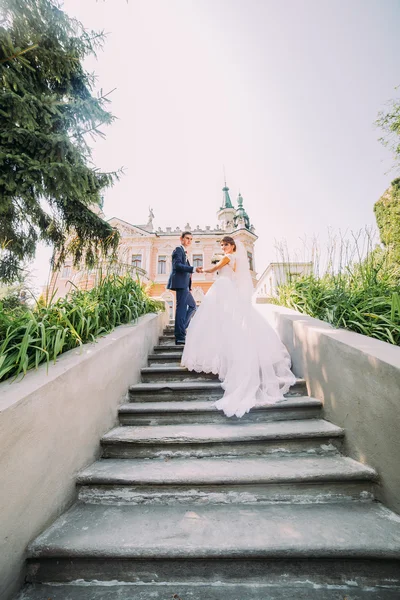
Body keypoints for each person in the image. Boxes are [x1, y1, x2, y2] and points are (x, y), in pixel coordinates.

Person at [181, 236, 296, 418]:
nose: (224, 247)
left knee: (214, 318)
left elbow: (215, 269)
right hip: (228, 287)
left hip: (223, 287)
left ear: (232, 246)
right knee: (223, 320)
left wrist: (201, 268)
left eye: (226, 244)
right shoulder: (235, 260)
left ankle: (215, 358)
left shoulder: (228, 257)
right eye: (222, 245)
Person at [167, 231, 203, 345]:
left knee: (193, 306)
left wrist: (189, 286)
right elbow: (177, 266)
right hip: (180, 284)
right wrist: (193, 268)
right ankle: (180, 336)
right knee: (181, 309)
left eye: (191, 239)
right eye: (187, 238)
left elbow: (187, 273)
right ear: (181, 238)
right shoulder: (178, 249)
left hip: (185, 286)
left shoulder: (185, 252)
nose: (189, 241)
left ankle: (182, 328)